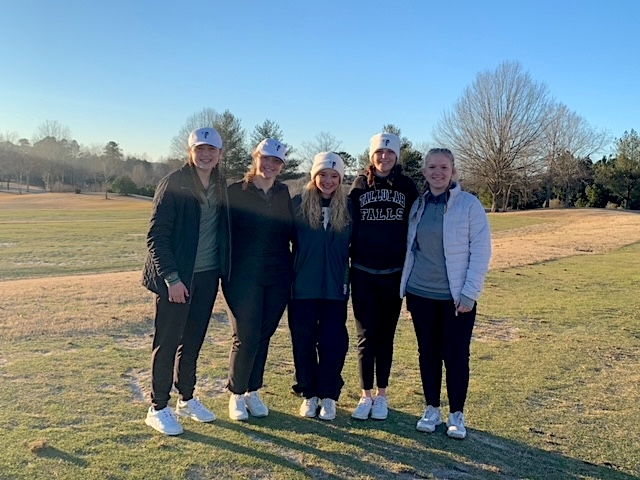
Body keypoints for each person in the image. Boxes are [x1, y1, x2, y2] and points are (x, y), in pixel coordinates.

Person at [141, 127, 230, 435]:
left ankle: (186, 398)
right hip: (177, 279)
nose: (205, 154)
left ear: (220, 153)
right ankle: (158, 407)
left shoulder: (220, 184)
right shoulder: (174, 183)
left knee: (192, 341)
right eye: (200, 149)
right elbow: (156, 236)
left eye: (211, 150)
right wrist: (172, 278)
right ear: (190, 152)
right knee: (167, 343)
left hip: (207, 276)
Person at [400, 148, 492, 439]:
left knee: (456, 356)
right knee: (428, 353)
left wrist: (470, 293)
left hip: (456, 298)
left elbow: (481, 251)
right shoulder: (418, 205)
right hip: (420, 293)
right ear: (424, 172)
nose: (437, 173)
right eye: (432, 167)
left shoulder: (469, 205)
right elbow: (411, 248)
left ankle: (456, 414)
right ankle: (431, 409)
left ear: (453, 171)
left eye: (443, 167)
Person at [348, 132, 419, 420]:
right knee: (365, 337)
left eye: (389, 152)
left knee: (385, 337)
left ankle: (382, 395)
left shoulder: (407, 186)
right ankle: (365, 395)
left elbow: (416, 224)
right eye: (379, 152)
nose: (384, 156)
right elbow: (348, 223)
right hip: (362, 273)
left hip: (393, 274)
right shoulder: (359, 185)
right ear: (372, 155)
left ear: (396, 156)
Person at [222, 138, 294, 421]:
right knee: (246, 335)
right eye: (265, 158)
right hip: (242, 276)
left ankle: (253, 390)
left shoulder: (283, 193)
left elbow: (291, 232)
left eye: (276, 161)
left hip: (277, 274)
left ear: (282, 166)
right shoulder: (235, 192)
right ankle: (237, 393)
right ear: (256, 158)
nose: (270, 165)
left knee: (264, 334)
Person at [289, 152, 351, 421]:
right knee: (303, 341)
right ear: (314, 176)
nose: (328, 180)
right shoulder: (297, 205)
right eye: (322, 174)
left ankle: (328, 395)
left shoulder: (349, 208)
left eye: (334, 175)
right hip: (303, 287)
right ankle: (309, 393)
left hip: (335, 289)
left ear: (340, 179)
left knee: (332, 342)